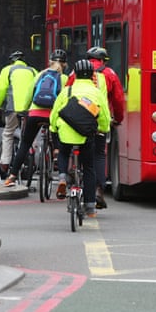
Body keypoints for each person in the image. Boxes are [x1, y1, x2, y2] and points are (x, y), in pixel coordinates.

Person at [50, 59, 111, 217]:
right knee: (89, 168)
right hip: (86, 135)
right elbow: (104, 116)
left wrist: (54, 128)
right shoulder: (96, 92)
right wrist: (103, 129)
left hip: (66, 132)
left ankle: (62, 177)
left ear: (75, 74)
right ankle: (90, 207)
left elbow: (55, 113)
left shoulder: (67, 91)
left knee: (63, 152)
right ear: (92, 75)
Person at [4, 49, 68, 186]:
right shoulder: (64, 79)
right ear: (65, 65)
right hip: (53, 115)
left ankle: (12, 176)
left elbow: (29, 94)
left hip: (34, 113)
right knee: (61, 143)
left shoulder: (40, 74)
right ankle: (58, 162)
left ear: (50, 62)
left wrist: (23, 110)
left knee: (25, 144)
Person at [85, 47, 125, 209]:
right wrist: (118, 119)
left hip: (77, 119)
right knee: (100, 155)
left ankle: (67, 177)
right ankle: (99, 190)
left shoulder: (76, 72)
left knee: (78, 149)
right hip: (100, 119)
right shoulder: (109, 74)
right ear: (102, 60)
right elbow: (118, 100)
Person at [0, 51, 38, 175]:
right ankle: (35, 159)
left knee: (8, 133)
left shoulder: (8, 70)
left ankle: (5, 162)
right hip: (30, 109)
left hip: (14, 108)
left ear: (12, 61)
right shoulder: (33, 71)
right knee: (29, 135)